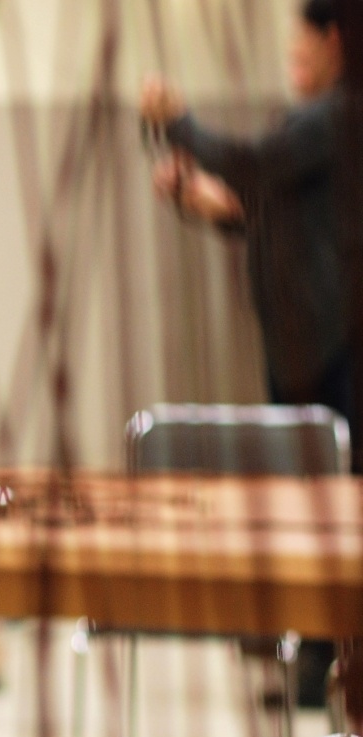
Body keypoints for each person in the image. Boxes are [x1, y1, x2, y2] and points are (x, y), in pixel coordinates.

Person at [141, 0, 352, 433]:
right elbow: (290, 211)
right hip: (302, 348)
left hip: (336, 349)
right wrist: (209, 204)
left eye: (301, 39)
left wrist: (180, 124)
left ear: (332, 40)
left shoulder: (338, 115)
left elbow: (255, 166)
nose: (293, 51)